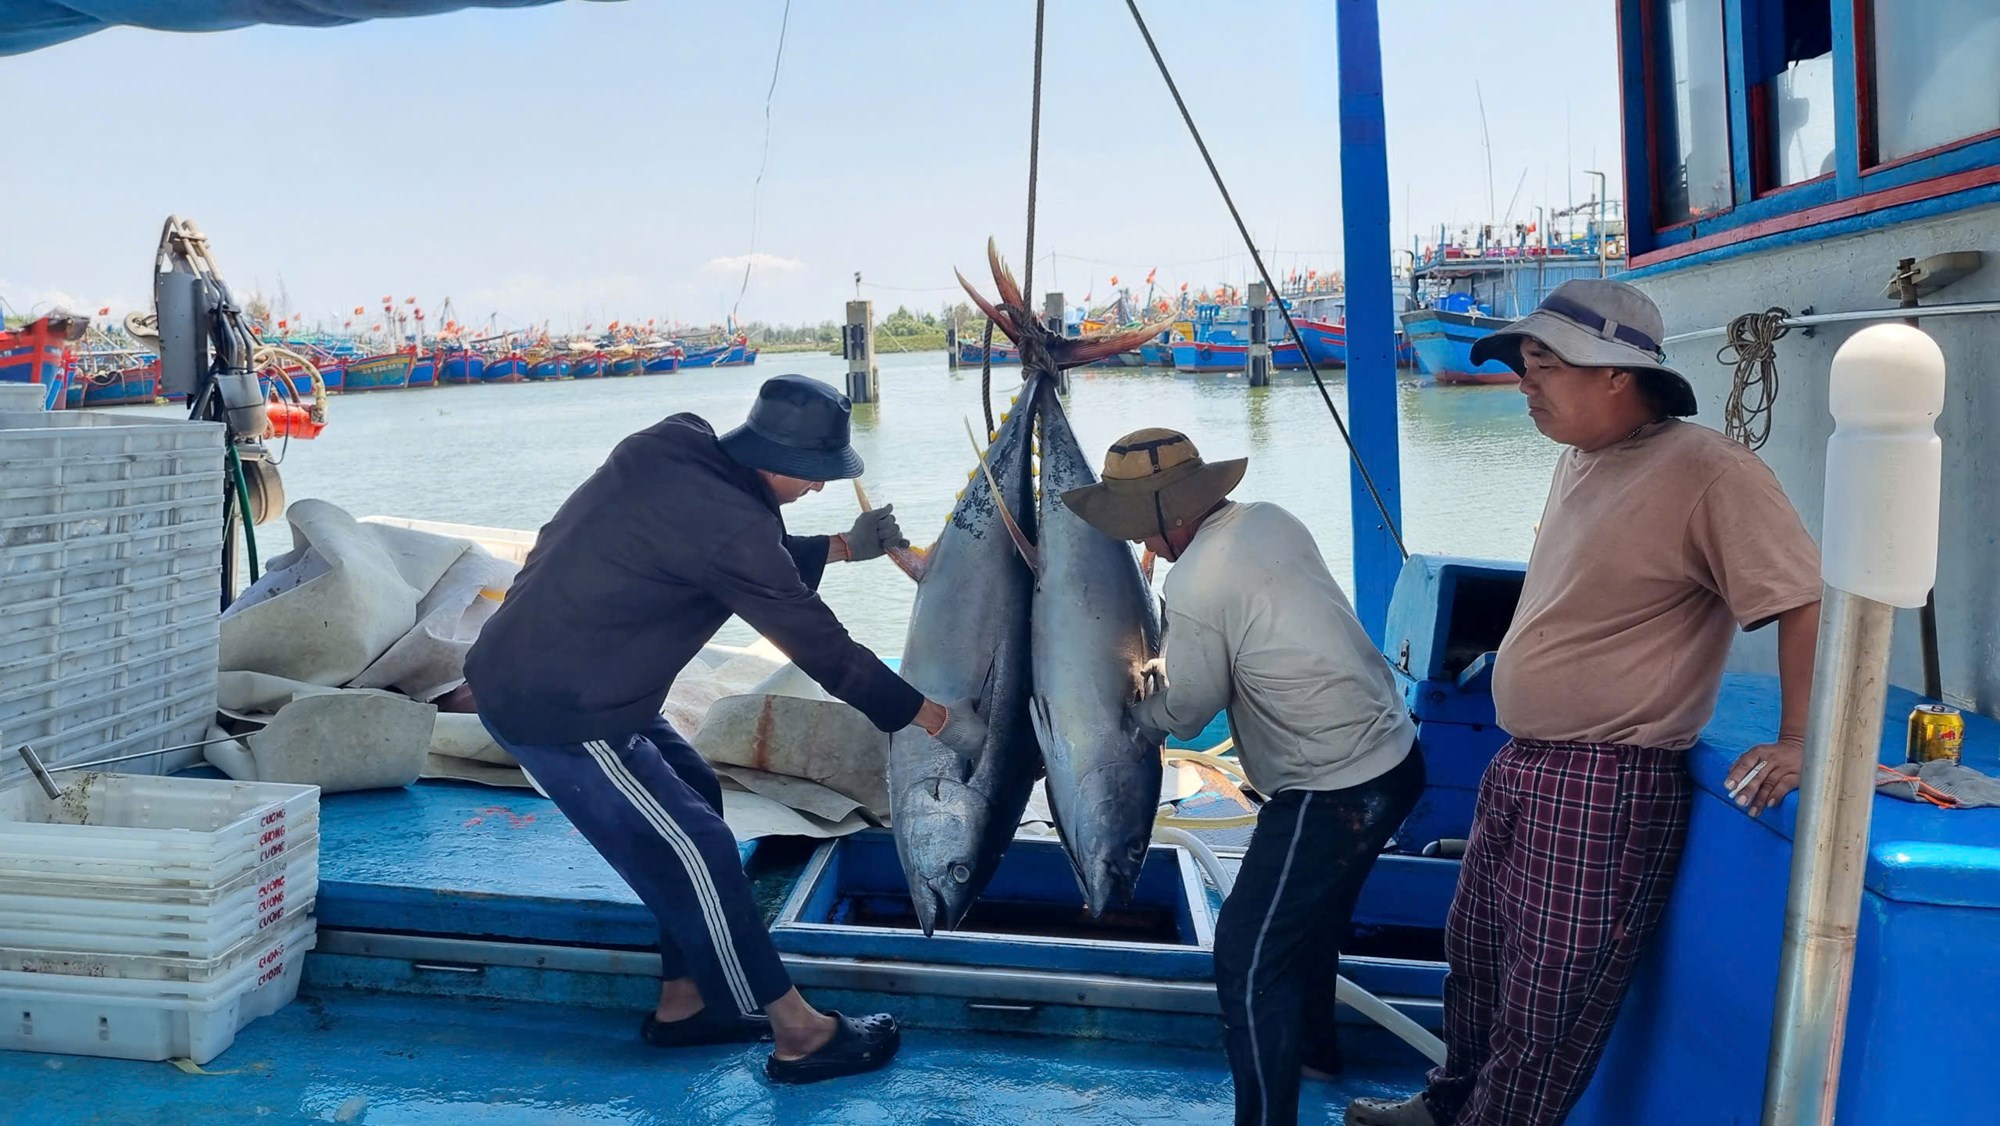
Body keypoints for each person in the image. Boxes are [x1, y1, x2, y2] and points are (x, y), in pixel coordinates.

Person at [1348, 280, 1821, 1126]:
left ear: (1615, 373)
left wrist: (1798, 737)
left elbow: (1797, 598)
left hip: (1605, 780)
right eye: (1524, 366)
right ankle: (1444, 1106)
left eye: (1543, 366)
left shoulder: (1710, 471)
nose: (1525, 384)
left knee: (1548, 1004)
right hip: (1524, 763)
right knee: (1478, 961)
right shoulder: (1578, 460)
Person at [463, 374, 986, 1084]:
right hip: (563, 709)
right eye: (816, 476)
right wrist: (935, 721)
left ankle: (687, 1003)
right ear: (776, 464)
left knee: (695, 788)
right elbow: (822, 647)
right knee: (699, 846)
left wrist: (840, 547)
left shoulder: (673, 441)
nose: (823, 487)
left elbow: (711, 547)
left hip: (564, 667)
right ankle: (798, 1033)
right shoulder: (732, 531)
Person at [1060, 429, 1426, 1126]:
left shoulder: (1194, 581)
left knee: (1248, 958)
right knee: (1308, 925)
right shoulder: (1269, 519)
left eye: (1136, 526)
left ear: (1167, 523)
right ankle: (1317, 1052)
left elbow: (1189, 706)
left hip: (1334, 789)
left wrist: (1130, 711)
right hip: (1397, 756)